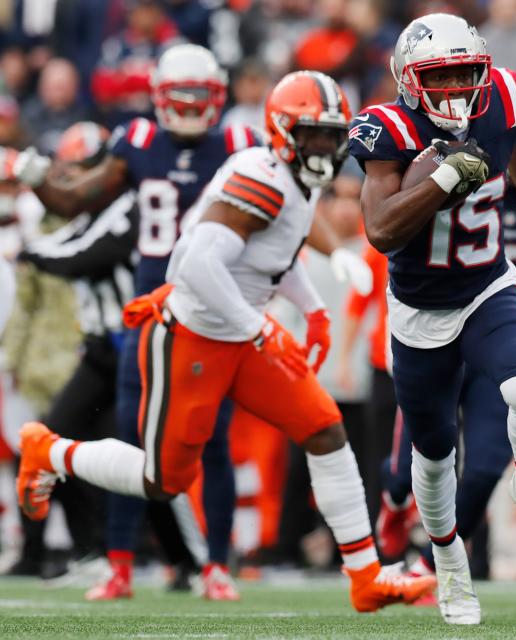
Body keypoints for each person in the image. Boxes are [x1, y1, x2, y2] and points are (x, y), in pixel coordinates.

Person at [15, 69, 437, 613]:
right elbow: (194, 266)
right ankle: (49, 449)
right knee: (162, 480)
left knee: (325, 431)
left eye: (333, 135)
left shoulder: (295, 178)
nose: (325, 146)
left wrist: (312, 309)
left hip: (239, 333)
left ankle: (366, 576)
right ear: (284, 131)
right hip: (192, 335)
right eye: (313, 133)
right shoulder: (259, 178)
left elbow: (272, 256)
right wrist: (260, 327)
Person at [348, 12, 516, 625]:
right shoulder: (389, 128)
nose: (455, 88)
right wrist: (446, 175)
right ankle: (450, 568)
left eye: (464, 74)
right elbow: (381, 231)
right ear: (407, 78)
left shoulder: (502, 93)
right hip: (419, 310)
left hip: (486, 285)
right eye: (440, 76)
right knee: (431, 460)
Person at [2, 43, 256, 601]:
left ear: (217, 96)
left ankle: (214, 565)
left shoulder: (239, 145)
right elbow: (74, 200)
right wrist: (30, 168)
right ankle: (118, 564)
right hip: (150, 315)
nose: (189, 108)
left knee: (211, 442)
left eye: (200, 96)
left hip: (214, 316)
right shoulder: (138, 143)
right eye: (179, 96)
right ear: (159, 98)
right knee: (130, 439)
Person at [14, 122, 132, 583]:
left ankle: (188, 558)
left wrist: (31, 253)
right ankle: (100, 555)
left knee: (138, 456)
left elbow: (81, 254)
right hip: (98, 350)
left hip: (134, 349)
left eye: (85, 170)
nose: (77, 182)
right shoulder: (85, 214)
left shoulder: (126, 206)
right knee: (61, 443)